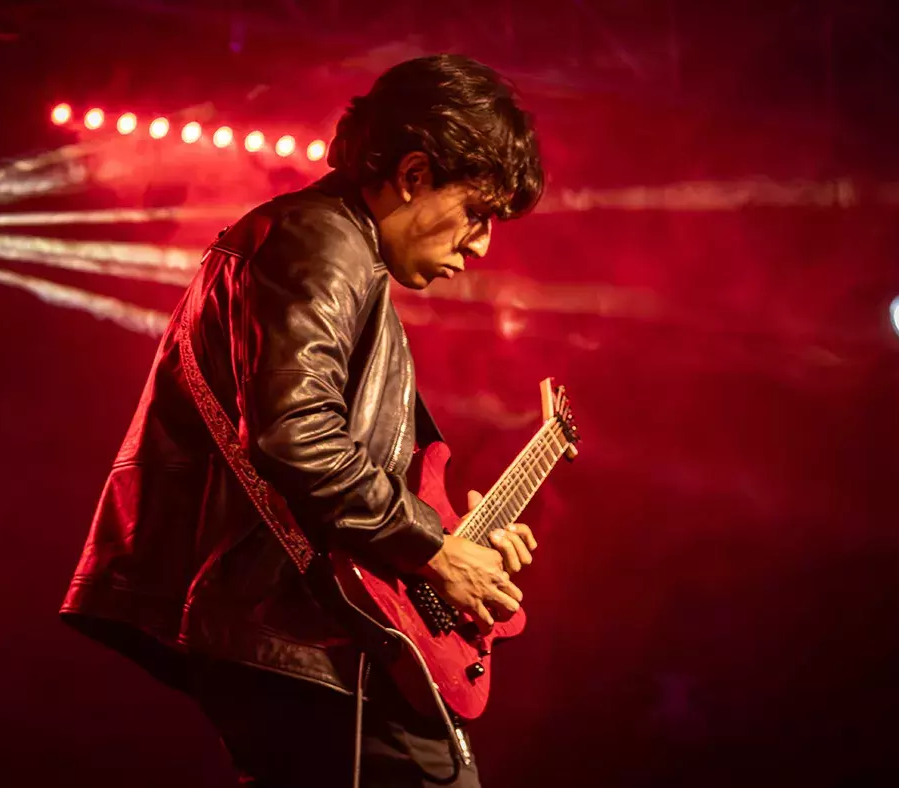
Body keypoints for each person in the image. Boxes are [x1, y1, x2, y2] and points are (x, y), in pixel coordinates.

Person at [60, 54, 545, 787]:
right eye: (476, 212)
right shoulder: (322, 242)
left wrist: (450, 535)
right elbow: (297, 434)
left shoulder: (333, 247)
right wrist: (434, 552)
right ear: (414, 175)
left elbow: (318, 446)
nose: (480, 245)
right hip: (299, 635)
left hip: (301, 636)